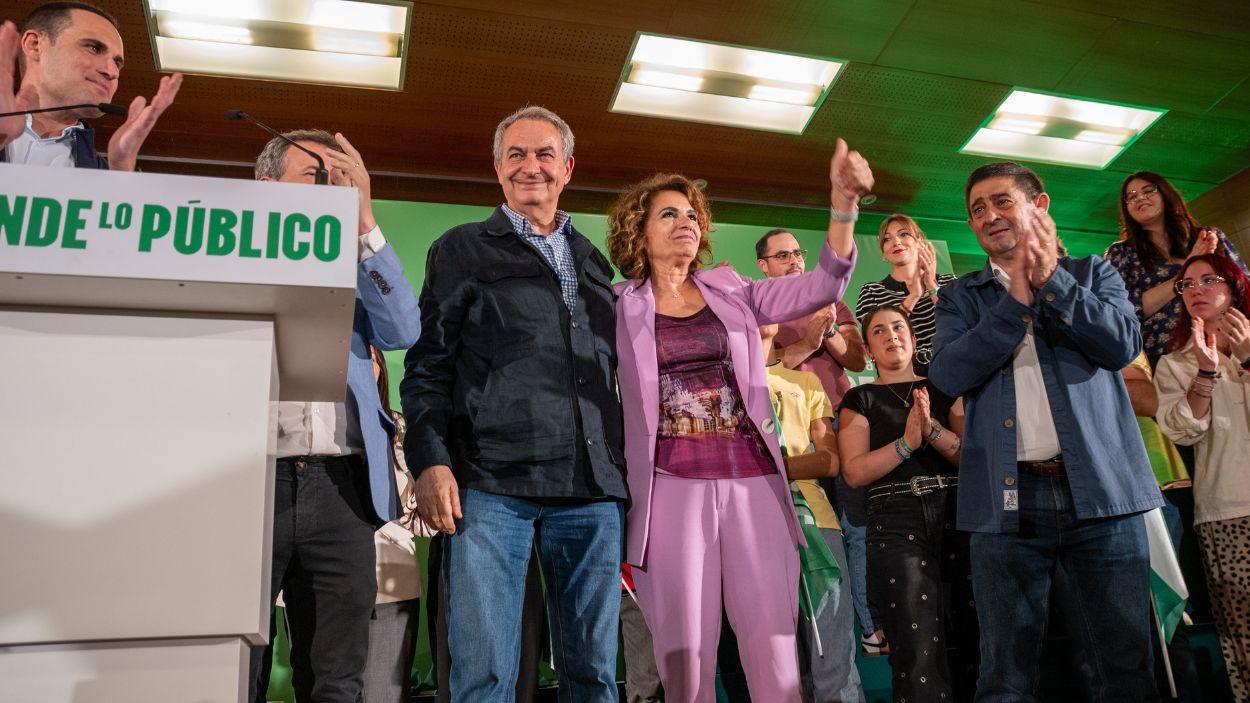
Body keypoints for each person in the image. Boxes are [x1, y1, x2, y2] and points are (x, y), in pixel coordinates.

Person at [605, 138, 871, 703]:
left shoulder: (733, 290)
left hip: (753, 484)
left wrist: (842, 205)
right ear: (639, 230)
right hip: (668, 488)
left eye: (692, 214)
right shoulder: (617, 303)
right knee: (687, 662)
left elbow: (821, 285)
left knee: (774, 653)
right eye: (668, 213)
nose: (685, 221)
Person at [401, 106, 625, 703]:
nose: (532, 167)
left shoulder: (596, 262)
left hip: (592, 490)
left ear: (568, 167)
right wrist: (429, 457)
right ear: (497, 169)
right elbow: (427, 365)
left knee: (596, 676)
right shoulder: (461, 249)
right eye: (517, 155)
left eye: (545, 154)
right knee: (485, 675)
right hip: (492, 484)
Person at [930, 161, 1163, 702]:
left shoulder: (1090, 273)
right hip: (1005, 502)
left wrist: (1051, 283)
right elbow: (947, 374)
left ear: (1039, 206)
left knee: (1124, 668)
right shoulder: (960, 297)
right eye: (977, 210)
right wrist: (1015, 303)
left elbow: (1120, 344)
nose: (989, 216)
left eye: (1001, 201)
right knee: (1005, 678)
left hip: (1103, 498)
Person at [250, 129, 421, 703]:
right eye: (316, 174)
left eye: (339, 176)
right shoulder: (233, 253)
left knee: (337, 675)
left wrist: (365, 221)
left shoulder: (353, 259)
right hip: (253, 478)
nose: (331, 185)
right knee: (238, 663)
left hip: (343, 485)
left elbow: (402, 330)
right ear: (268, 186)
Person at [754, 227, 880, 659]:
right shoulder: (762, 309)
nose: (794, 261)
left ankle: (868, 624)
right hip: (793, 441)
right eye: (783, 255)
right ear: (764, 266)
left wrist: (827, 331)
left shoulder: (832, 302)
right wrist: (806, 341)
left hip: (842, 422)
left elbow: (858, 360)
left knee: (855, 527)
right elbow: (767, 369)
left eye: (798, 253)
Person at [838, 305, 974, 703]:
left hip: (957, 513)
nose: (891, 336)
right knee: (917, 650)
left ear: (914, 338)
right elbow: (855, 471)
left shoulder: (945, 388)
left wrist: (931, 431)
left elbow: (972, 457)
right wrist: (906, 445)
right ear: (868, 348)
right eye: (879, 331)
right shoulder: (858, 398)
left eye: (898, 327)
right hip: (896, 519)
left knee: (975, 638)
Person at [1154, 253, 1250, 700]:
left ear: (1232, 286)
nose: (1195, 290)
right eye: (1186, 284)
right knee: (1243, 638)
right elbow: (1181, 430)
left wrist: (1246, 360)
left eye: (1207, 280)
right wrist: (1207, 372)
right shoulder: (1174, 363)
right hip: (1224, 512)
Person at [758, 322, 865, 703]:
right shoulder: (726, 387)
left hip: (816, 521)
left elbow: (830, 460)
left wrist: (770, 466)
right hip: (752, 526)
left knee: (832, 648)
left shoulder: (805, 384)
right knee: (777, 662)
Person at [1, 2, 182, 169]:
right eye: (94, 48)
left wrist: (121, 180)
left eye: (117, 63)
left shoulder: (109, 174)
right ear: (35, 45)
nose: (112, 72)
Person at [1104, 172, 1247, 368]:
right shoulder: (1121, 253)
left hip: (1227, 346)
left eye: (1148, 191)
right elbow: (1122, 310)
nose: (1140, 198)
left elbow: (1243, 287)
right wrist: (1186, 270)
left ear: (1165, 193)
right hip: (1166, 358)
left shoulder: (1208, 237)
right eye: (1131, 196)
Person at [364, 347, 435, 703]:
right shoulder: (320, 435)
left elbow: (428, 522)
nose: (361, 363)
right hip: (319, 583)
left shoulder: (401, 428)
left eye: (370, 356)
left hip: (389, 585)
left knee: (384, 696)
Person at [855, 214, 957, 374]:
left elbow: (958, 322)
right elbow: (877, 335)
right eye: (887, 239)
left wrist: (931, 284)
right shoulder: (872, 291)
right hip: (903, 378)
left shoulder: (949, 282)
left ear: (919, 241)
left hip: (952, 371)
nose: (896, 242)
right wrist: (914, 296)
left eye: (904, 234)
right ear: (883, 252)